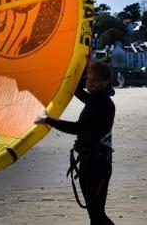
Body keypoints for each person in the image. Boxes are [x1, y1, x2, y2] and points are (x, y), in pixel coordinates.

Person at [35, 60, 116, 224]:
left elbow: (78, 128)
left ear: (106, 82)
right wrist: (82, 64)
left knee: (97, 214)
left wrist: (48, 120)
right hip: (88, 162)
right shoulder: (95, 98)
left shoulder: (103, 104)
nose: (90, 83)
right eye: (89, 78)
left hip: (98, 166)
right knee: (94, 214)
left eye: (95, 80)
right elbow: (77, 90)